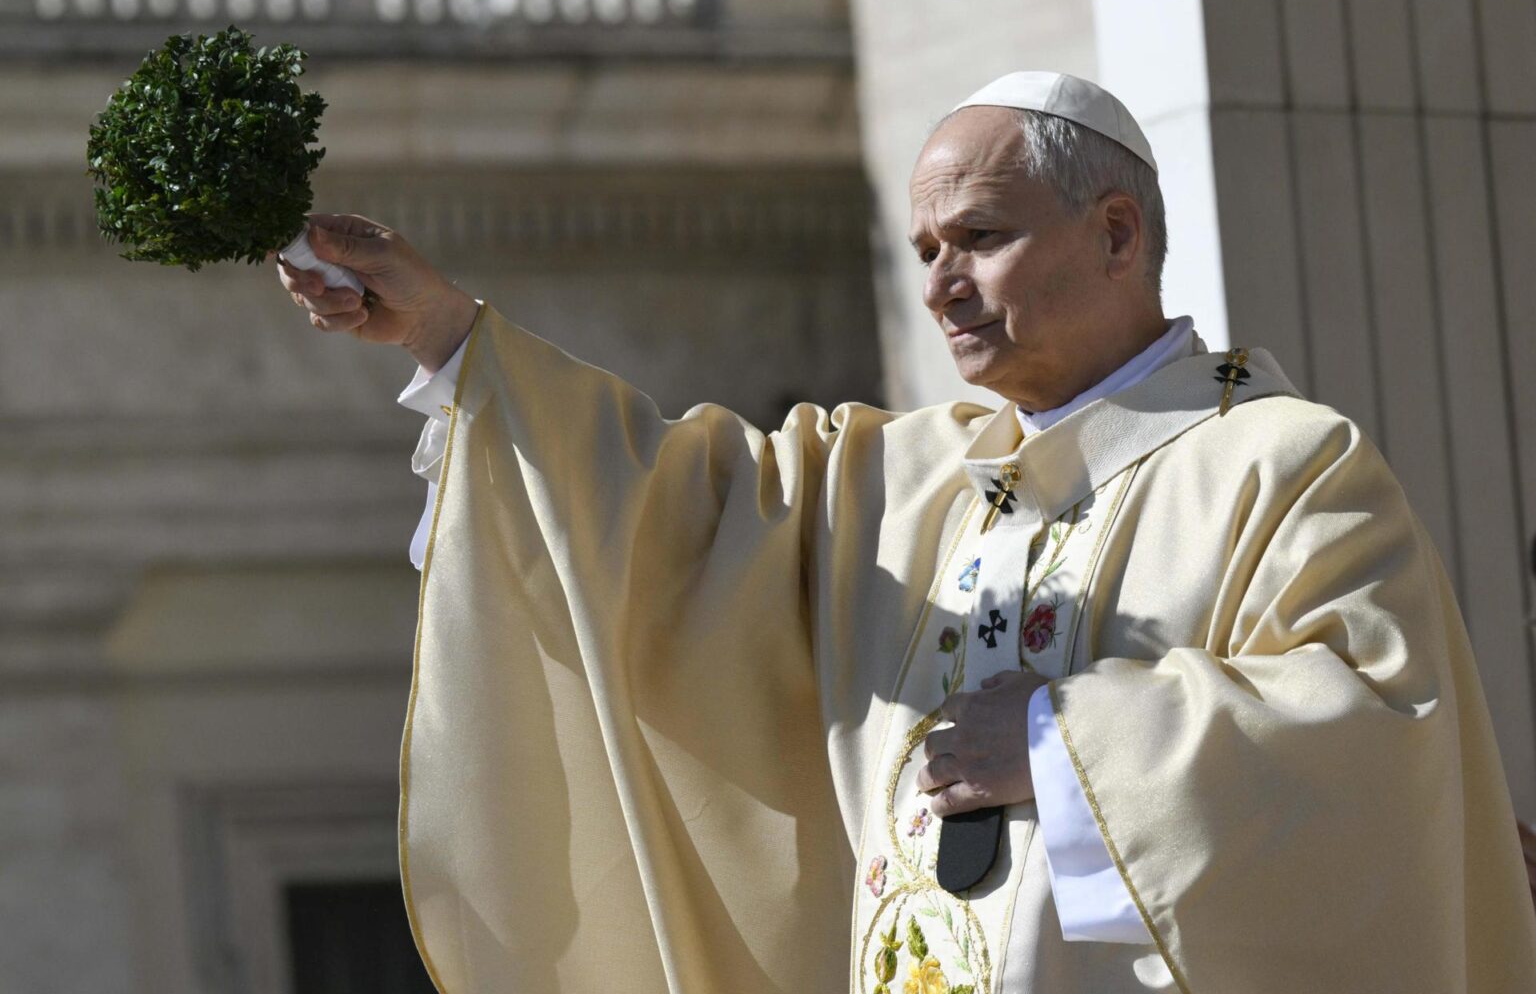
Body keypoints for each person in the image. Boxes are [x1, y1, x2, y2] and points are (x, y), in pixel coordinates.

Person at [275, 72, 1536, 993]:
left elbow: (1381, 735)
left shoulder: (1280, 460)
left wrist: (1062, 741)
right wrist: (446, 333)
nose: (938, 284)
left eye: (979, 237)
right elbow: (653, 517)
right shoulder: (898, 477)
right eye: (927, 247)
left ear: (1116, 234)